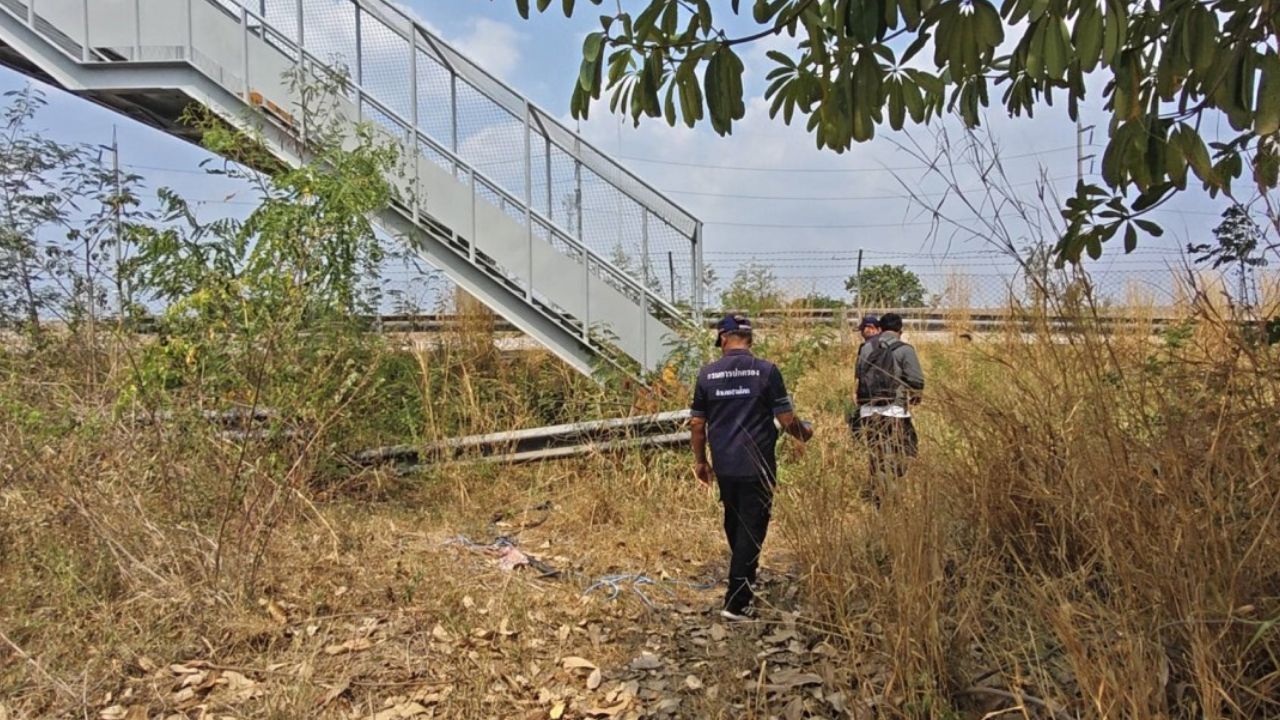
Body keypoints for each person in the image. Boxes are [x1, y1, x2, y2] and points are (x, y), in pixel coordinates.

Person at [690, 314, 812, 620]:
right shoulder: (767, 371)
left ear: (722, 338)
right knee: (751, 529)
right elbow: (786, 421)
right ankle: (737, 602)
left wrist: (701, 462)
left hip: (725, 466)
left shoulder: (707, 375)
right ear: (750, 338)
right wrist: (804, 433)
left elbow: (696, 424)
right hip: (758, 465)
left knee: (735, 523)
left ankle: (743, 575)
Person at [857, 313, 924, 498]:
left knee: (877, 453)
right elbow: (916, 379)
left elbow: (859, 376)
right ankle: (893, 493)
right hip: (895, 411)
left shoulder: (865, 348)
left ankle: (880, 493)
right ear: (900, 330)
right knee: (905, 450)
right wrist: (915, 396)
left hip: (868, 410)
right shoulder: (905, 349)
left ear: (880, 328)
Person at [848, 315, 882, 436]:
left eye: (863, 329)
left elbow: (860, 373)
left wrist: (855, 391)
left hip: (869, 393)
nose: (862, 333)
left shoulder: (866, 347)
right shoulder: (891, 344)